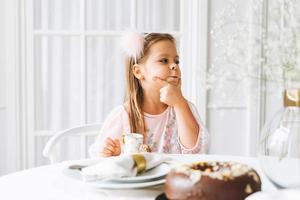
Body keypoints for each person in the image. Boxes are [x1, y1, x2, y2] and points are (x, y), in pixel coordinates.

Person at [89, 32, 209, 157]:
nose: (174, 65)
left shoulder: (184, 108)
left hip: (175, 176)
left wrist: (180, 103)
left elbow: (196, 151)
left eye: (176, 61)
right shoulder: (123, 115)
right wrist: (111, 153)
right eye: (164, 60)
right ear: (138, 71)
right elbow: (100, 156)